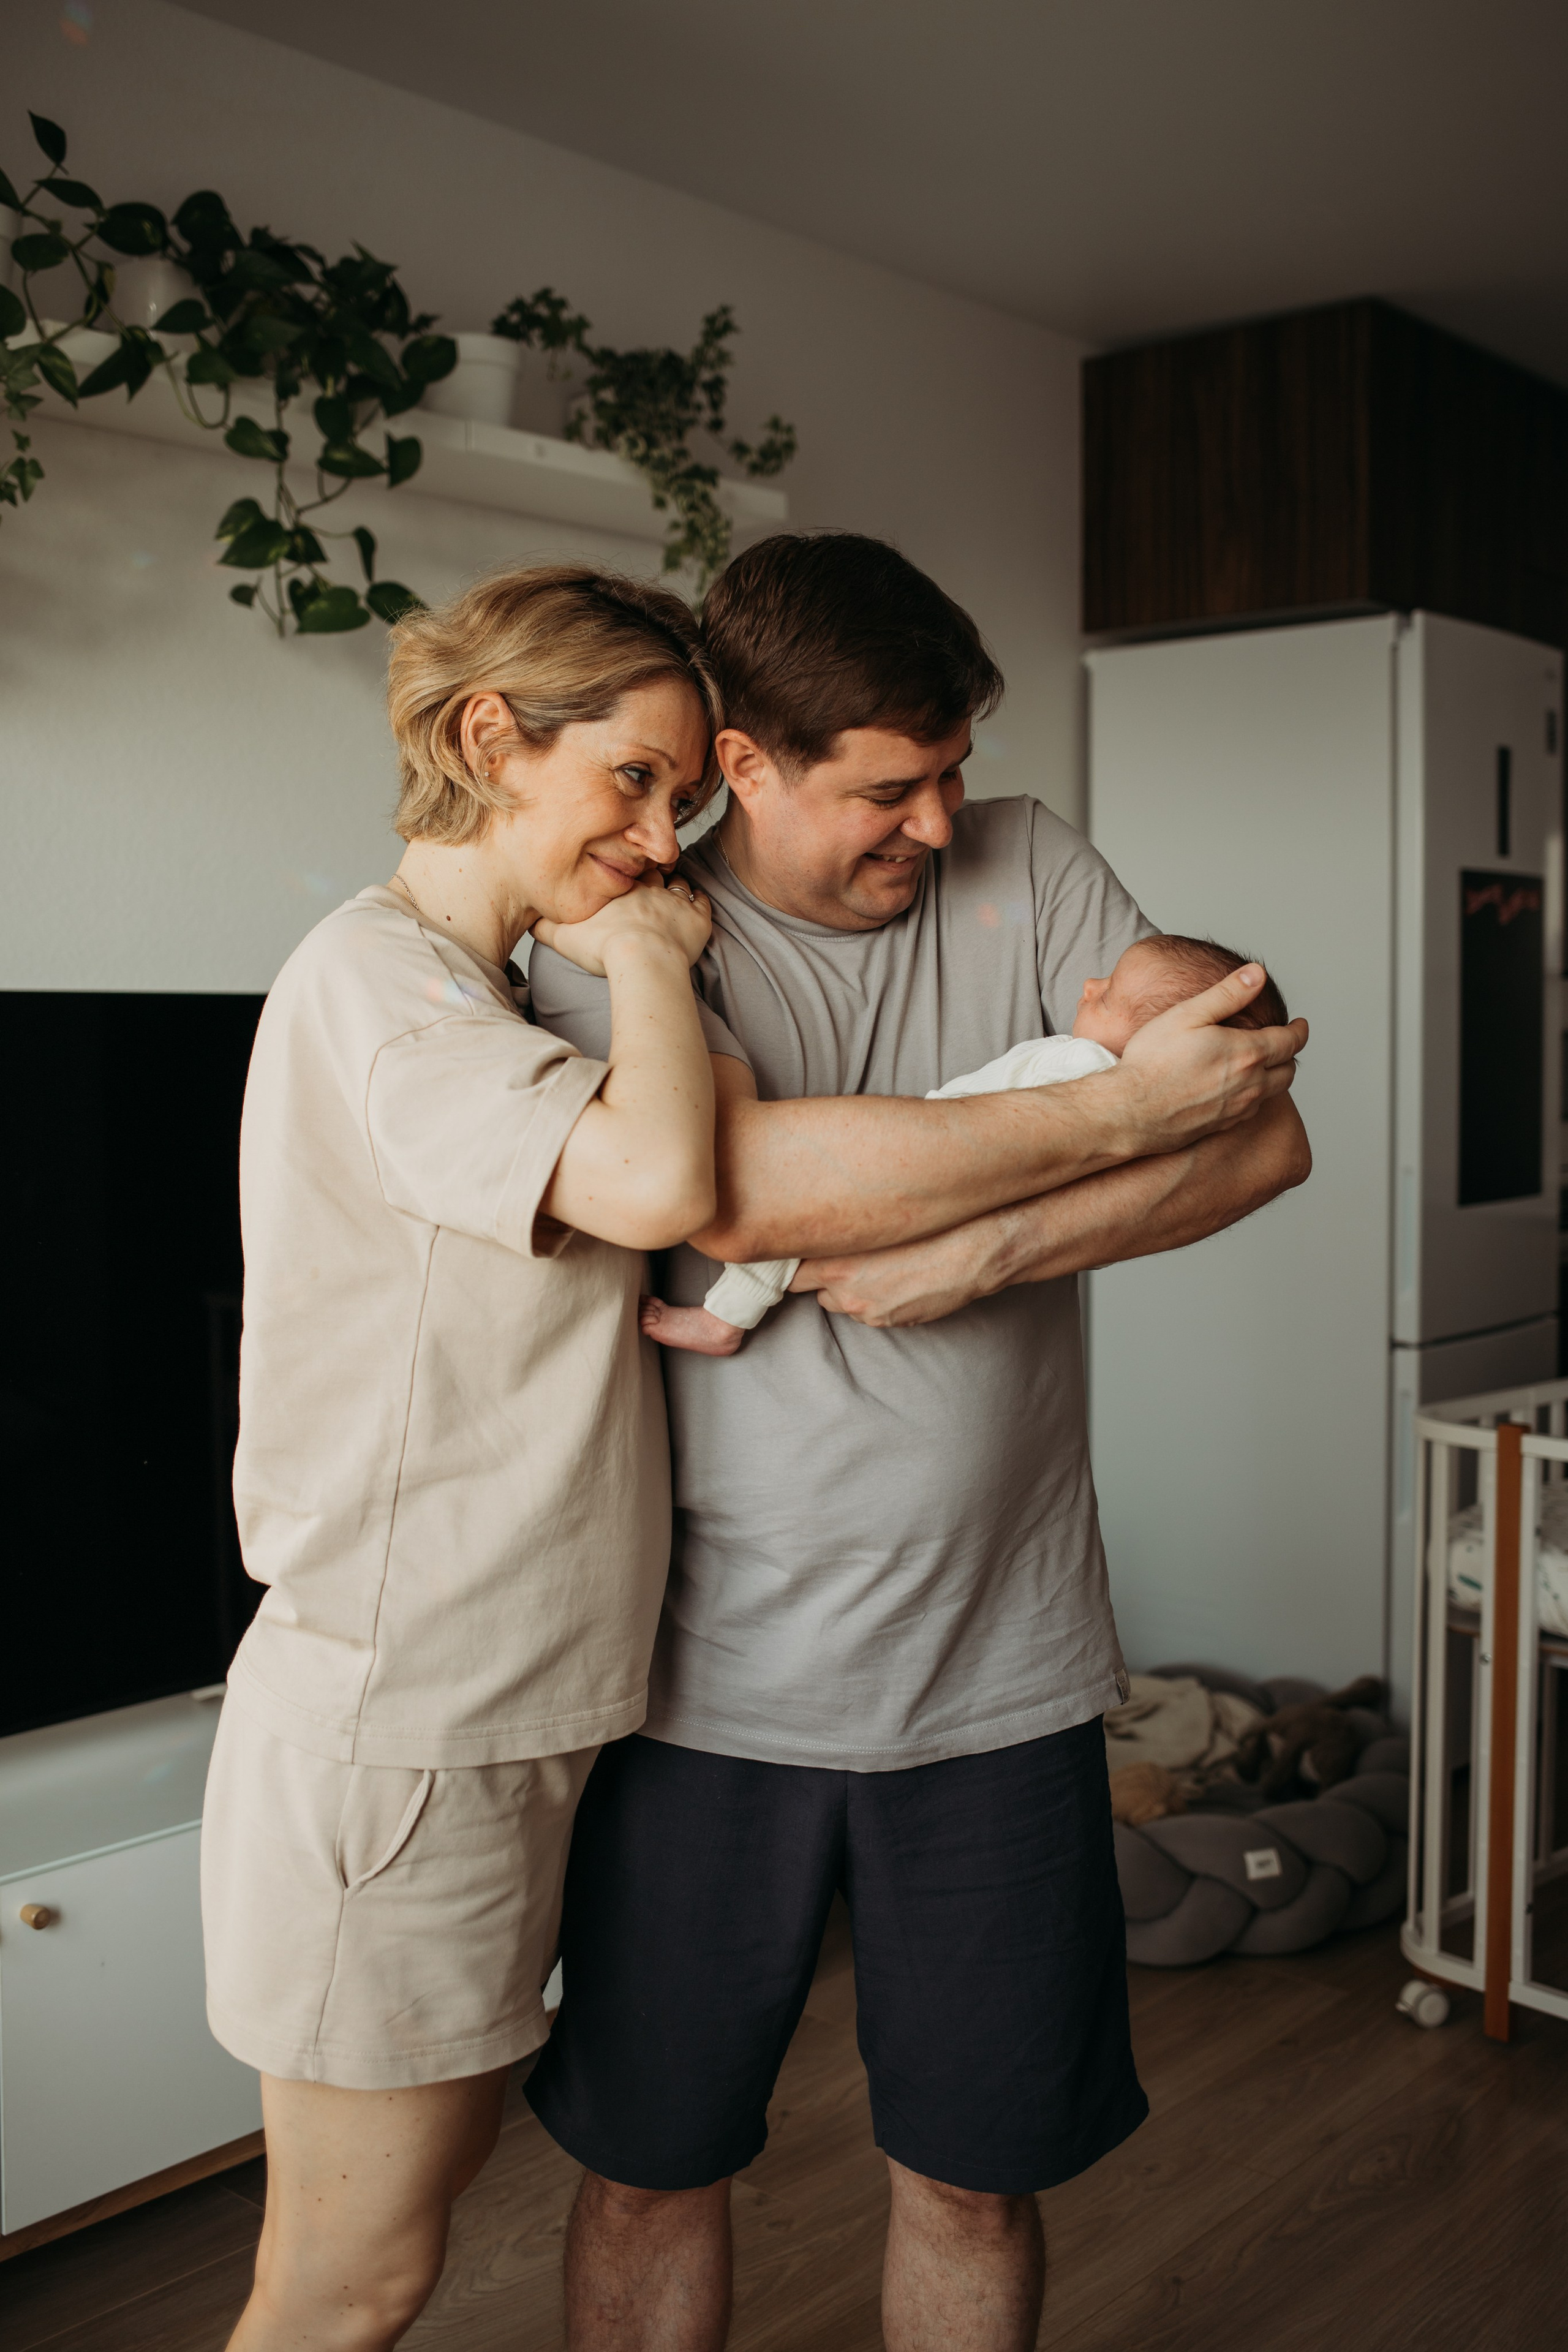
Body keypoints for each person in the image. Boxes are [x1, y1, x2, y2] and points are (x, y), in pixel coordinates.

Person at [524, 532, 1311, 2352]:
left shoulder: (1027, 855)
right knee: (650, 2162)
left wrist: (994, 1239)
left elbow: (1262, 1132)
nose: (941, 821)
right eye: (888, 786)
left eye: (950, 769)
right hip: (694, 1686)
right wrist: (1126, 1111)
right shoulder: (631, 935)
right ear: (744, 762)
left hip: (1000, 1675)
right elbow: (735, 1186)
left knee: (973, 2168)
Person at [201, 564, 726, 2352]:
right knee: (345, 2288)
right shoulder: (380, 984)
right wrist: (650, 954)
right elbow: (660, 1182)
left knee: (379, 2269)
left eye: (683, 797)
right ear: (490, 736)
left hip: (497, 1711)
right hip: (408, 1729)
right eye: (636, 781)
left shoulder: (480, 989)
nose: (664, 838)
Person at [643, 933, 1289, 1354]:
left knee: (786, 1243)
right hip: (947, 1170)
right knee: (799, 1245)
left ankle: (722, 1319)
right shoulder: (1121, 1083)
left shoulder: (1085, 1066)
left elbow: (1276, 1144)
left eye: (1112, 995)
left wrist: (980, 1247)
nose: (1088, 987)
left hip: (942, 1183)